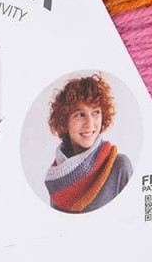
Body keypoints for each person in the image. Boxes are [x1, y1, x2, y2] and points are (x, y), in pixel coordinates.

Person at [45, 74, 132, 213]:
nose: (90, 124)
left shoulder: (119, 166)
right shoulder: (57, 177)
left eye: (95, 112)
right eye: (80, 114)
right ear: (64, 122)